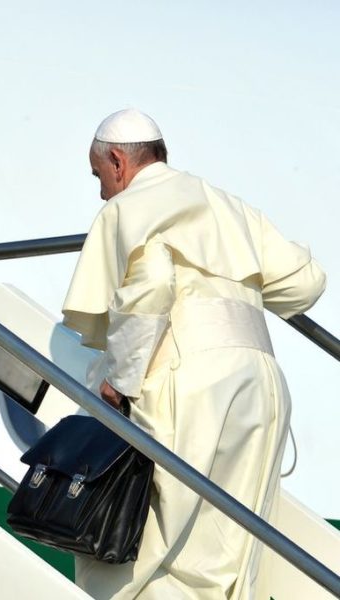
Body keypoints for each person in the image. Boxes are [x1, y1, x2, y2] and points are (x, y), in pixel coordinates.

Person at [61, 108, 326, 599]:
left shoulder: (128, 207)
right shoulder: (228, 205)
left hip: (186, 377)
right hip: (260, 380)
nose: (100, 191)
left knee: (154, 544)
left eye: (98, 176)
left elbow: (153, 283)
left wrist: (120, 378)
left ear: (118, 161)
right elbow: (306, 282)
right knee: (230, 549)